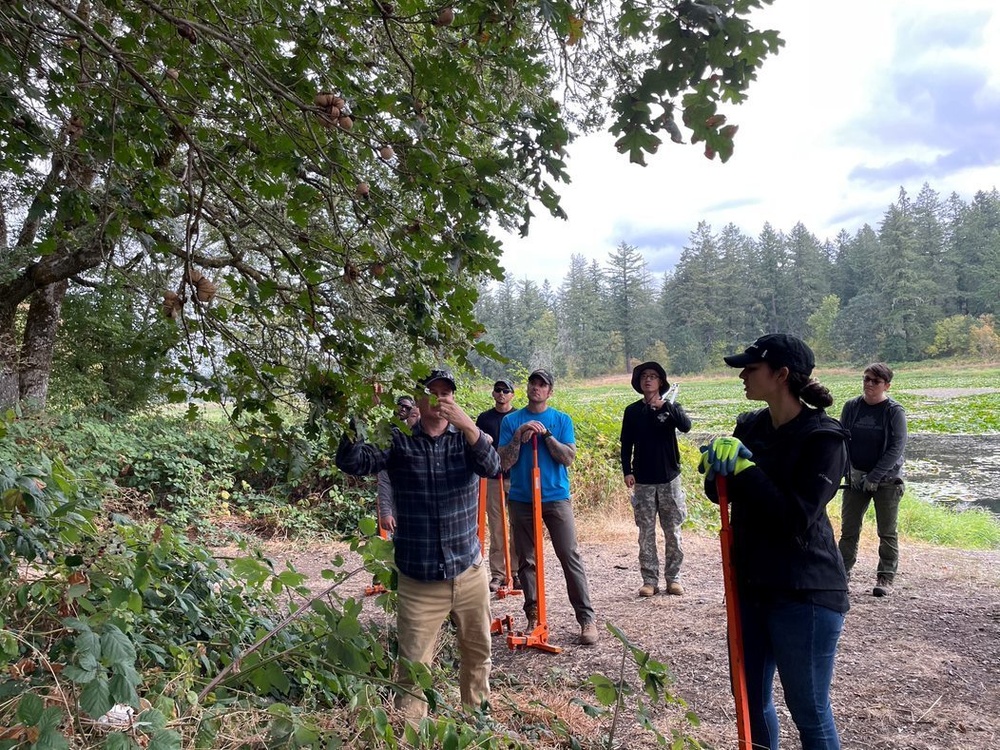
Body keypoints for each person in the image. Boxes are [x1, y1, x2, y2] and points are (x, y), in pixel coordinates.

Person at [701, 333, 850, 750]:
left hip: (806, 592)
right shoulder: (750, 425)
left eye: (751, 368)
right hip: (750, 584)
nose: (743, 376)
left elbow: (795, 519)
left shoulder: (824, 438)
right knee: (748, 700)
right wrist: (717, 468)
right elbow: (719, 495)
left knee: (809, 709)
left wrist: (745, 468)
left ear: (781, 374)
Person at [336, 369, 500, 722]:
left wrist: (469, 426)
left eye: (446, 393)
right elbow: (351, 461)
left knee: (478, 653)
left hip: (468, 572)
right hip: (420, 579)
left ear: (453, 399)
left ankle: (477, 722)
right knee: (413, 667)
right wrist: (361, 415)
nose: (440, 399)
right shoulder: (398, 441)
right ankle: (413, 733)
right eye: (432, 392)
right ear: (419, 400)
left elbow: (492, 466)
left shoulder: (466, 439)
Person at [498, 368, 599, 646]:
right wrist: (519, 436)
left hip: (555, 497)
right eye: (533, 383)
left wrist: (546, 437)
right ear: (528, 387)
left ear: (549, 391)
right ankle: (533, 615)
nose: (536, 388)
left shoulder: (561, 420)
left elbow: (567, 457)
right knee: (526, 560)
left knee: (569, 556)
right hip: (521, 498)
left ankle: (586, 619)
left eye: (542, 385)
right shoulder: (511, 421)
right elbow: (503, 462)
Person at [620, 361, 692, 597]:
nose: (648, 380)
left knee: (673, 530)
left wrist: (667, 407)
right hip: (643, 480)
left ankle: (674, 578)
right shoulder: (632, 411)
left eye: (652, 376)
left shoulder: (671, 408)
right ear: (639, 384)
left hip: (669, 478)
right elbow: (626, 444)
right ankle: (649, 580)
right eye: (643, 377)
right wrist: (627, 471)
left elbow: (686, 426)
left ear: (661, 382)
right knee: (646, 533)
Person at [837, 363, 908, 597]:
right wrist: (851, 470)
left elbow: (896, 447)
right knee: (849, 530)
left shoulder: (894, 411)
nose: (869, 384)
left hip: (887, 480)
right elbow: (842, 439)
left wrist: (875, 475)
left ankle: (885, 577)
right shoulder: (852, 407)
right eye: (866, 379)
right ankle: (841, 574)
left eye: (875, 381)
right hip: (856, 478)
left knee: (886, 531)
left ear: (886, 385)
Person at [475, 378, 517, 591]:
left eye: (505, 390)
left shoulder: (519, 417)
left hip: (517, 477)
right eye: (498, 390)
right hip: (493, 479)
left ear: (512, 394)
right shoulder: (484, 418)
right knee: (497, 527)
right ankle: (499, 574)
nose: (501, 393)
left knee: (517, 526)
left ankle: (517, 572)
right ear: (493, 394)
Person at [375, 395, 420, 537]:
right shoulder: (392, 439)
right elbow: (384, 480)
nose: (403, 410)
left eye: (408, 408)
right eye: (401, 406)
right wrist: (385, 511)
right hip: (400, 513)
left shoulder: (438, 442)